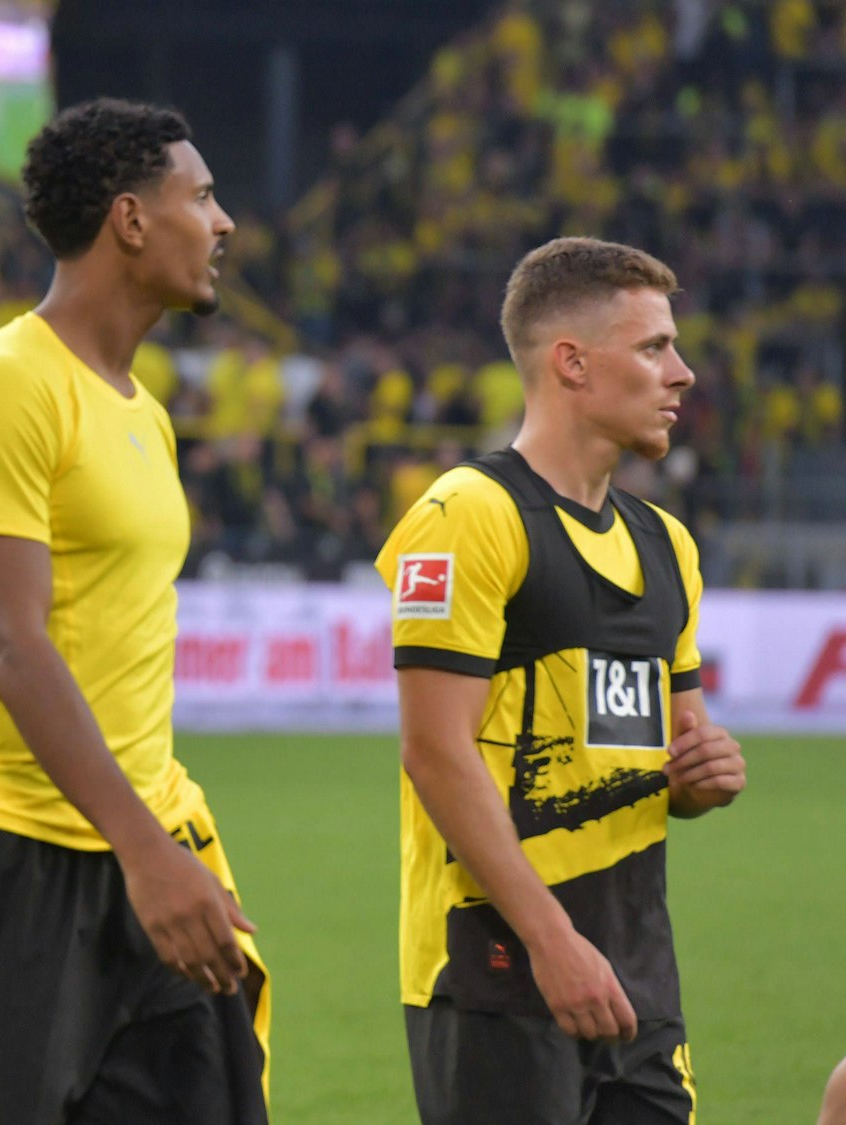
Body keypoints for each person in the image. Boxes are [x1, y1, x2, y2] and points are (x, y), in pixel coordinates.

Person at [0, 98, 269, 1124]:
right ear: (129, 220)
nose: (222, 224)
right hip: (9, 862)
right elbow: (8, 642)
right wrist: (145, 851)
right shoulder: (5, 384)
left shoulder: (144, 412)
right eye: (202, 197)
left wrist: (166, 842)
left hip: (144, 850)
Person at [376, 237, 746, 1125]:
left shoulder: (667, 544)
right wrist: (551, 941)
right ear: (571, 363)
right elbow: (434, 751)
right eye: (655, 346)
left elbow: (669, 754)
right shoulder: (467, 516)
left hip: (636, 976)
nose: (683, 373)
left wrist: (701, 775)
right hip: (497, 966)